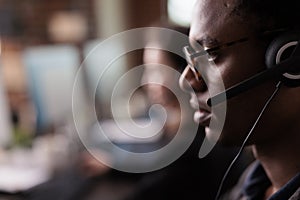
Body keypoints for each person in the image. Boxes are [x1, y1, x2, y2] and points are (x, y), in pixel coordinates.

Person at [179, 0, 300, 199]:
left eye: (209, 54)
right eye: (191, 57)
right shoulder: (250, 186)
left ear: (290, 61)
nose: (188, 81)